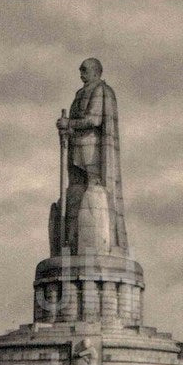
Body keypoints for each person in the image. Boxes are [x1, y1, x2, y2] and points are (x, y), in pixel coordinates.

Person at [56, 59, 127, 252]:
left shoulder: (101, 90)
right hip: (76, 149)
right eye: (80, 70)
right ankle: (71, 240)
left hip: (92, 151)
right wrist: (66, 130)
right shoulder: (80, 93)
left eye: (85, 70)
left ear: (96, 72)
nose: (81, 73)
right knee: (76, 191)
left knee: (93, 190)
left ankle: (95, 243)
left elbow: (94, 119)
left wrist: (68, 123)